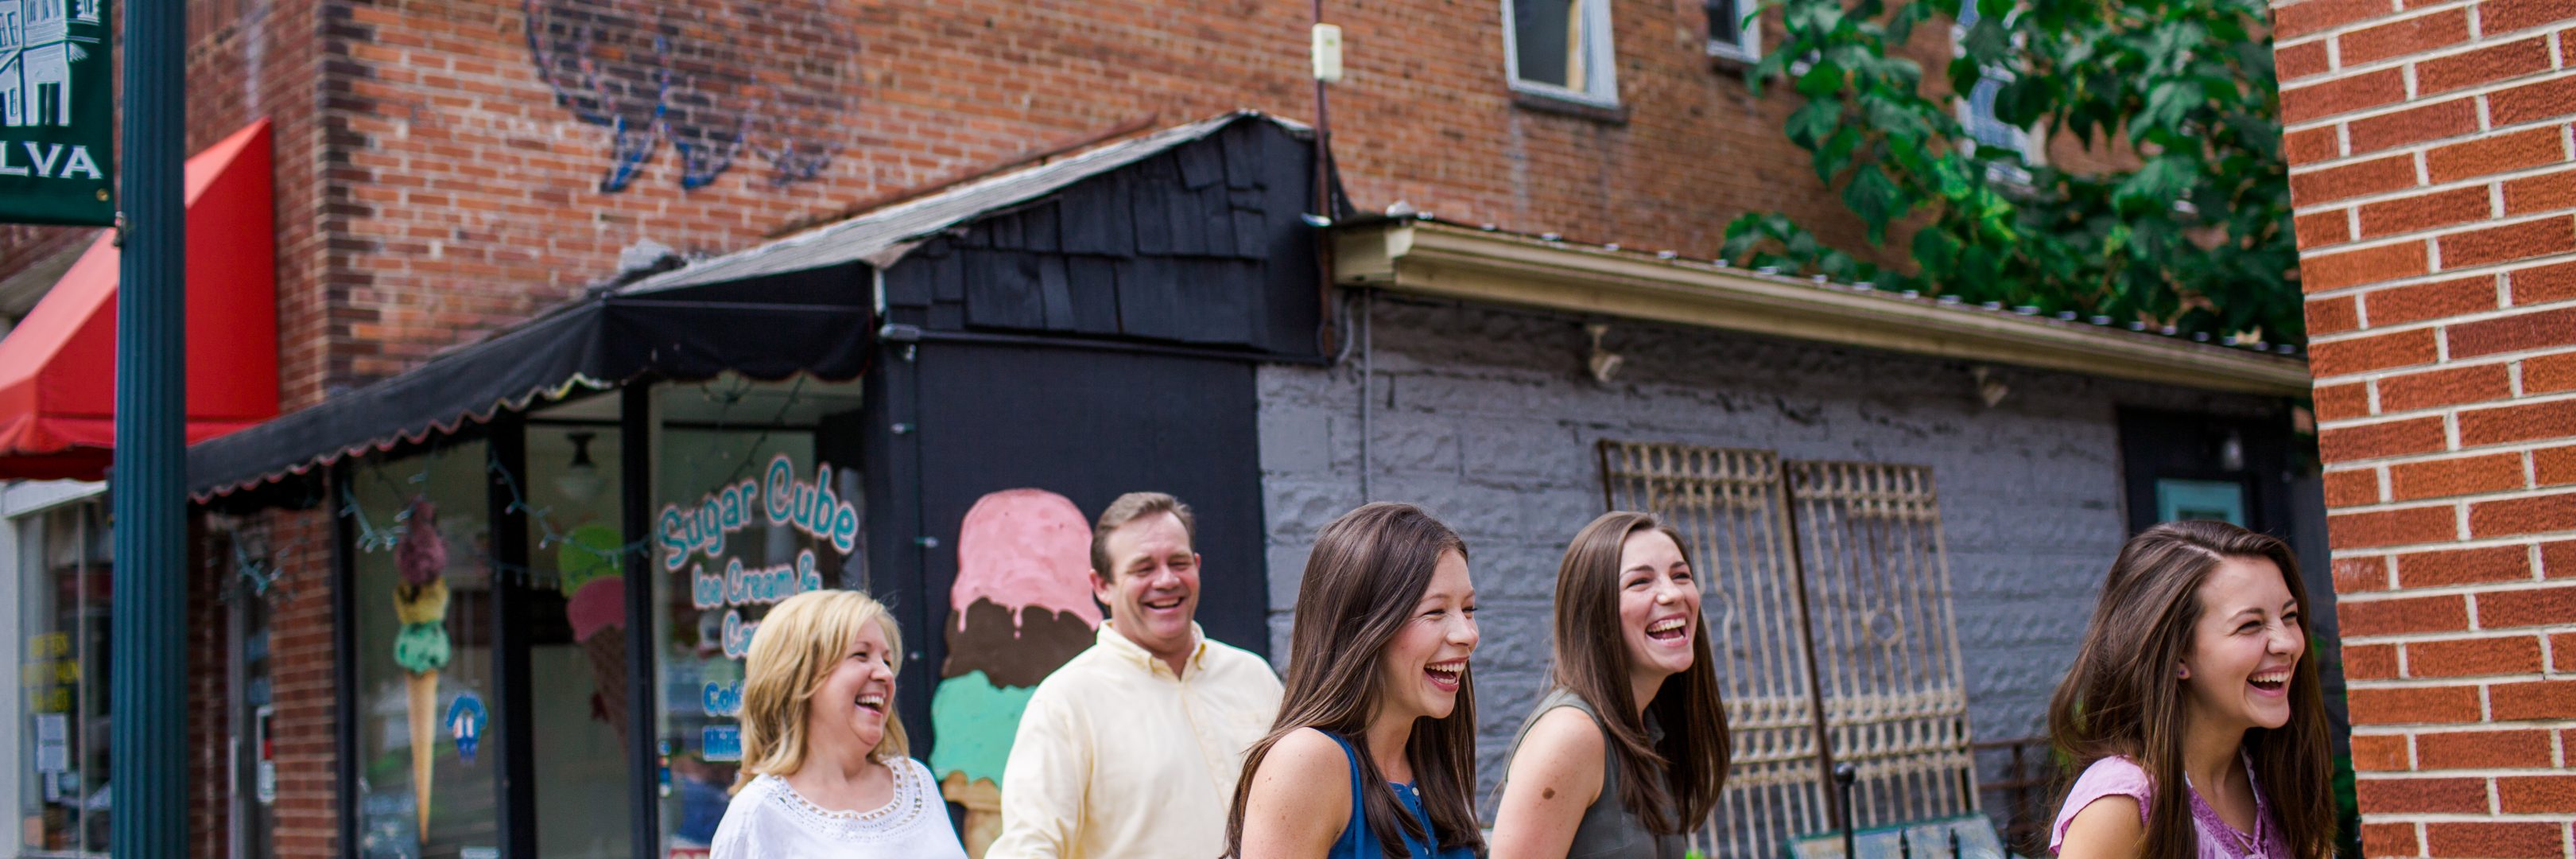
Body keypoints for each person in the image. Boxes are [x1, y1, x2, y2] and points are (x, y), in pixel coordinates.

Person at [989, 492, 1286, 859]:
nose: (1166, 580)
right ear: (1102, 585)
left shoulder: (1251, 675)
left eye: (1178, 563)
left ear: (1196, 566)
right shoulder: (1065, 702)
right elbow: (1028, 848)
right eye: (1143, 569)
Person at [2048, 521, 2336, 859]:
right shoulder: (2120, 805)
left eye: (2289, 617)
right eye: (2250, 625)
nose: (2289, 642)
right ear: (2177, 656)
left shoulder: (2277, 774)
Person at [1224, 502, 1483, 859]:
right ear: (1363, 626)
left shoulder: (1426, 756)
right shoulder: (1307, 761)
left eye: (1468, 609)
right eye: (1435, 611)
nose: (1467, 634)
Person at [1489, 511, 1731, 859]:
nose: (1672, 594)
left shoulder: (1648, 730)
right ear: (1593, 610)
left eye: (1681, 576)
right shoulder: (1571, 736)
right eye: (1640, 582)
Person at [709, 589, 967, 859]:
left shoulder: (915, 785)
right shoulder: (759, 812)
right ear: (799, 678)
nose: (885, 674)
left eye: (887, 661)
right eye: (860, 655)